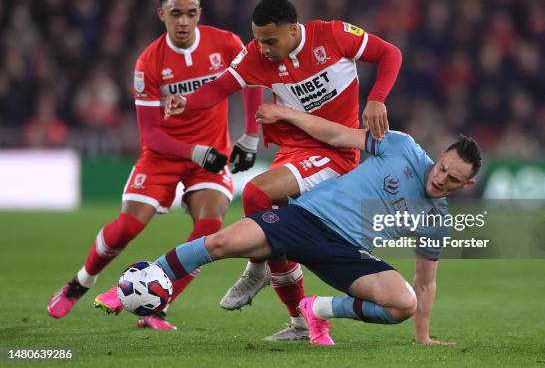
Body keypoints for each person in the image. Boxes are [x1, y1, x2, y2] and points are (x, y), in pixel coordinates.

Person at [163, 0, 402, 340]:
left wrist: (377, 97)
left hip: (335, 151)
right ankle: (299, 320)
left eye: (270, 41)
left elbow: (389, 53)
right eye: (258, 39)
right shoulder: (256, 54)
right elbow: (220, 87)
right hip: (295, 149)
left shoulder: (332, 35)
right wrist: (186, 101)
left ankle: (260, 267)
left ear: (294, 30)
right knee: (263, 208)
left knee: (258, 193)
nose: (263, 48)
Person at [148, 103, 481, 345]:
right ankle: (147, 276)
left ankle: (317, 308)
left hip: (345, 253)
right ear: (439, 157)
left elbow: (425, 283)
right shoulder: (402, 147)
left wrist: (422, 338)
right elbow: (337, 135)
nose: (441, 179)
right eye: (442, 169)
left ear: (466, 186)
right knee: (220, 244)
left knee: (403, 304)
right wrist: (287, 114)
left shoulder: (436, 219)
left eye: (453, 179)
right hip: (305, 219)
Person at [47, 0, 263, 330]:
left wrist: (251, 136)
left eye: (190, 13)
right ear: (160, 13)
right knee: (126, 228)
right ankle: (80, 282)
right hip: (164, 156)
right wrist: (194, 153)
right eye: (175, 13)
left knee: (209, 227)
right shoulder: (148, 63)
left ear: (199, 13)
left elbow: (251, 79)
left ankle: (155, 308)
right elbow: (150, 134)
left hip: (209, 157)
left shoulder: (225, 44)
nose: (183, 21)